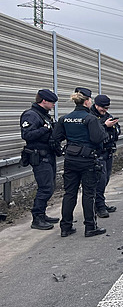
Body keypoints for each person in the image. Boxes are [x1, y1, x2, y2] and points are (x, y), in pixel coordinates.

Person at [52, 87, 117, 238]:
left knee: (69, 194)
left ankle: (65, 227)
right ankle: (90, 227)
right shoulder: (91, 119)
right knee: (89, 194)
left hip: (70, 160)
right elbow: (98, 138)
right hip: (87, 160)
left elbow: (56, 137)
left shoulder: (64, 118)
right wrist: (104, 128)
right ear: (87, 102)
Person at [19, 89, 60, 230]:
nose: (54, 105)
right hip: (39, 156)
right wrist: (46, 129)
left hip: (48, 155)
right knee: (45, 188)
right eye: (52, 102)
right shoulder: (31, 115)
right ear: (44, 101)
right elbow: (27, 135)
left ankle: (42, 214)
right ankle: (37, 218)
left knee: (50, 186)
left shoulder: (44, 115)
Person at [89, 94, 120, 218]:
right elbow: (93, 134)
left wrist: (114, 128)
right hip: (97, 154)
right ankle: (99, 206)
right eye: (103, 108)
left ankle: (100, 203)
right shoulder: (90, 117)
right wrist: (105, 126)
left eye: (107, 108)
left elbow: (116, 131)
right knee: (100, 181)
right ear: (96, 105)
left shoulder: (108, 116)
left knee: (105, 179)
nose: (105, 111)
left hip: (108, 152)